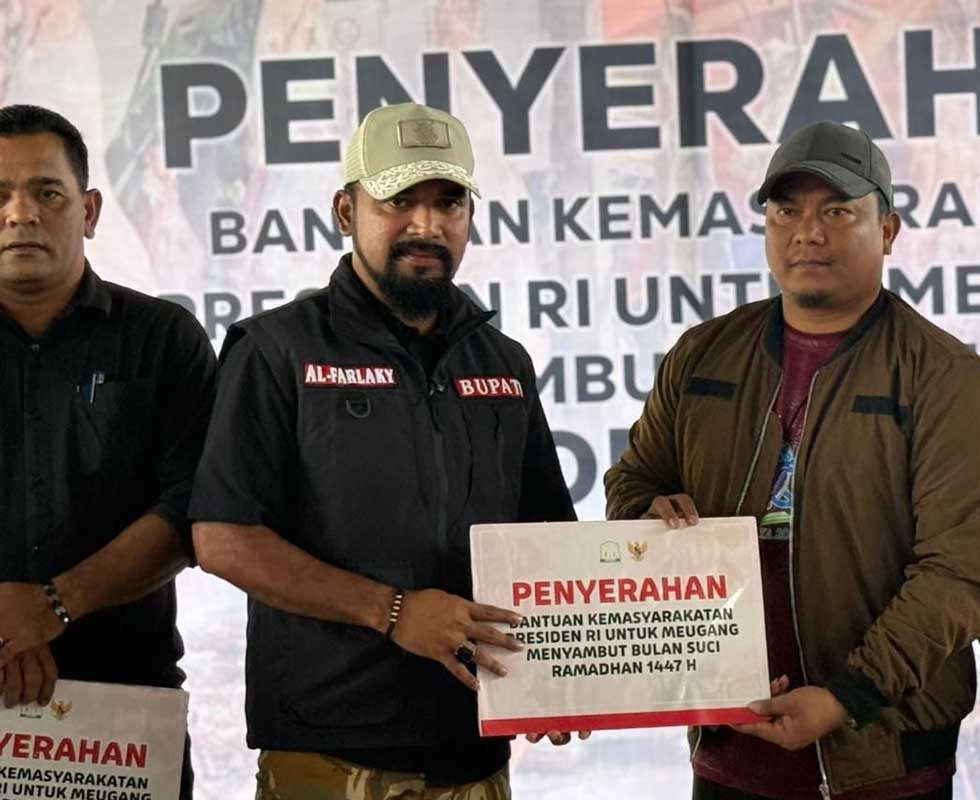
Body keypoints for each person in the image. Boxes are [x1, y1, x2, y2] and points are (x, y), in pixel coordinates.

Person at [605, 120, 980, 799]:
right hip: (728, 752)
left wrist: (846, 696)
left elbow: (962, 573)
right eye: (786, 211)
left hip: (884, 763)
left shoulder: (945, 377)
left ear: (888, 229)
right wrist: (646, 513)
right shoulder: (704, 355)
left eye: (837, 211)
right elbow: (634, 480)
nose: (808, 233)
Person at [188, 102, 577, 800]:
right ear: (346, 211)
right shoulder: (276, 350)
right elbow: (223, 539)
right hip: (330, 754)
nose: (426, 225)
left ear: (471, 214)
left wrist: (563, 675)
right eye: (399, 200)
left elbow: (546, 535)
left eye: (448, 202)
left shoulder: (503, 360)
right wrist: (391, 611)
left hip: (476, 755)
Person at [0, 104, 215, 799]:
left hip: (123, 713)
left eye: (47, 192)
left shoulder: (164, 339)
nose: (20, 214)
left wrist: (54, 605)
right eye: (0, 195)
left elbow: (194, 507)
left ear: (89, 211)